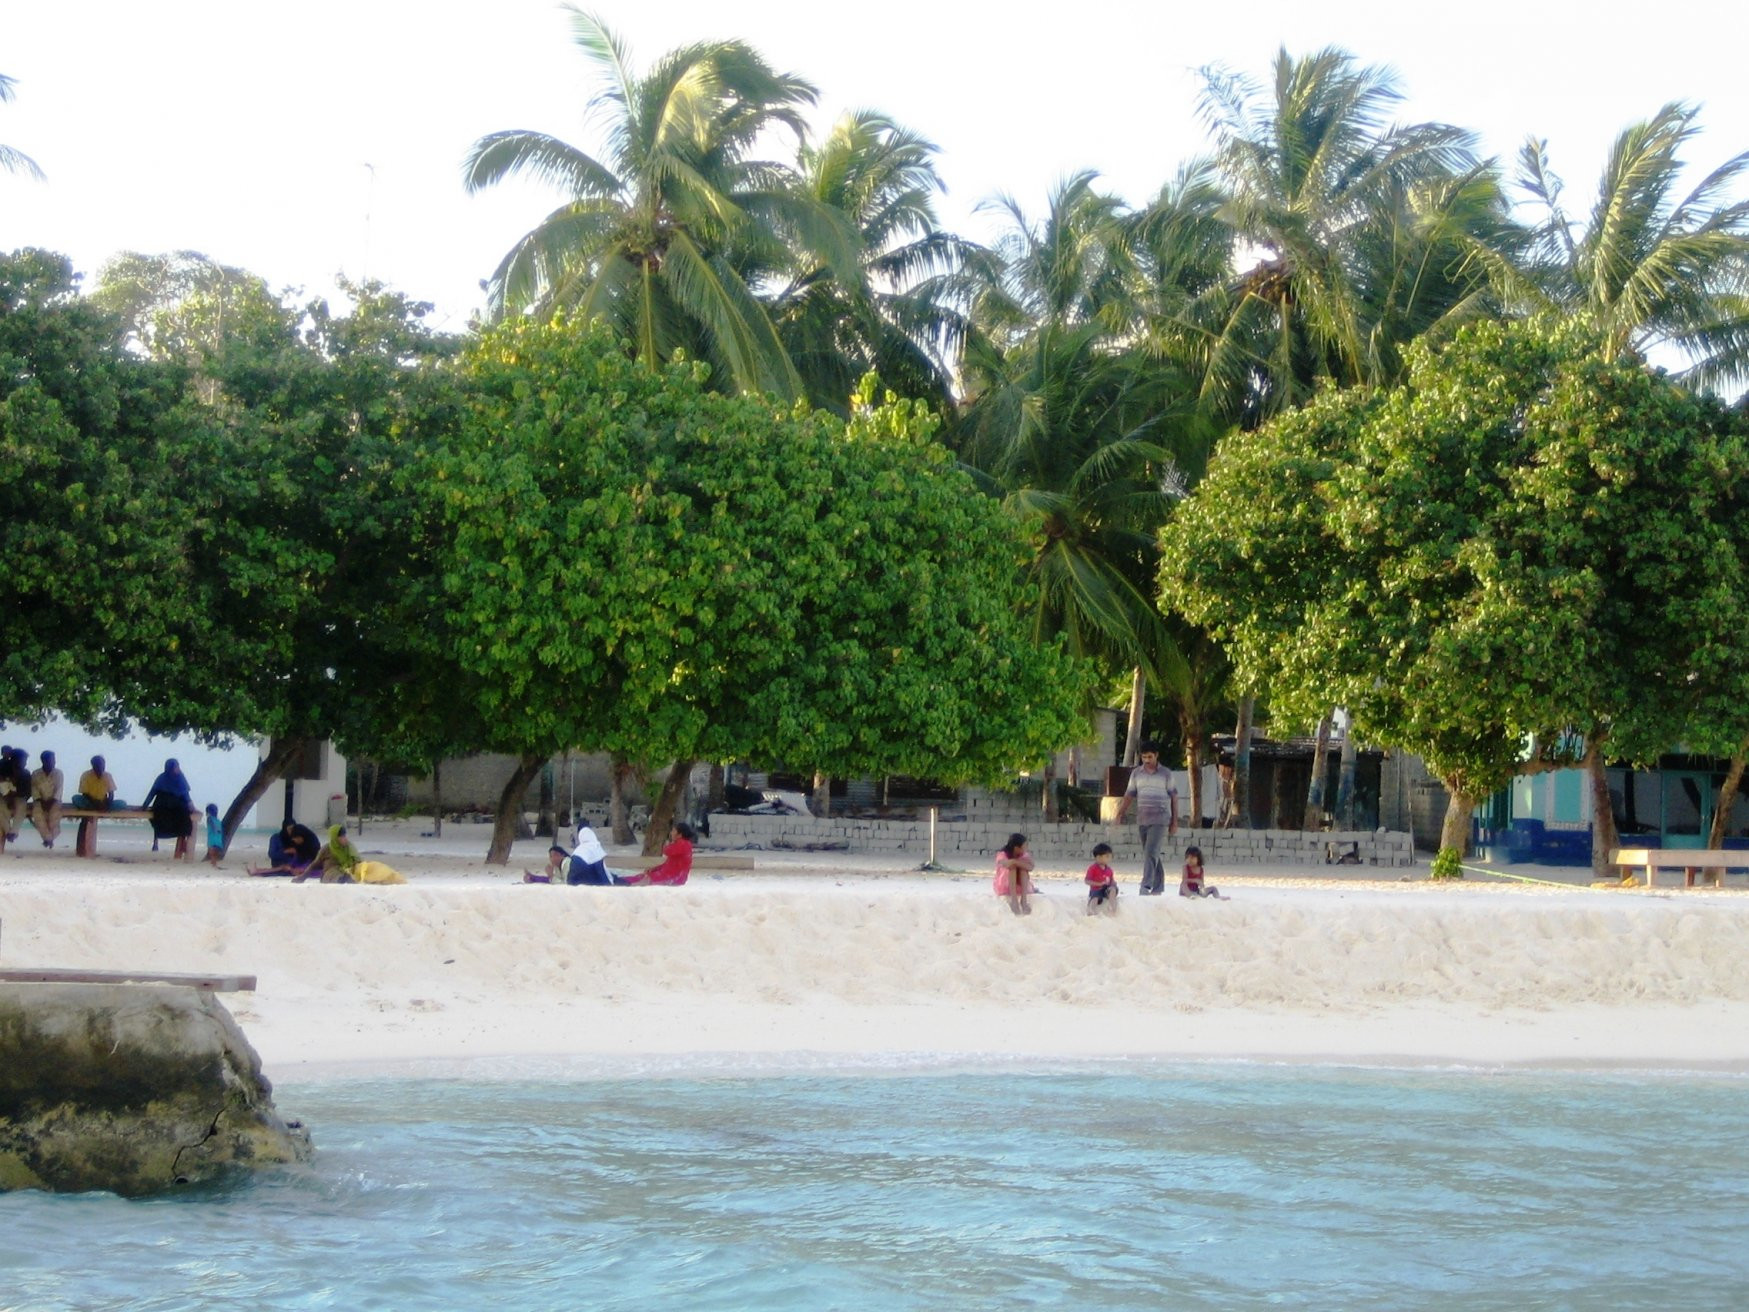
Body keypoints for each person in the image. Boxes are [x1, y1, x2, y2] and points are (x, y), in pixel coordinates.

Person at [1115, 741, 1179, 895]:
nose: (1147, 760)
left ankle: (1146, 885)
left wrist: (1174, 821)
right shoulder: (1137, 773)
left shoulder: (1166, 774)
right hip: (1143, 819)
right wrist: (1120, 813)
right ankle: (1158, 887)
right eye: (1144, 757)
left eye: (1150, 757)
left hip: (1160, 819)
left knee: (1151, 851)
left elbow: (1174, 797)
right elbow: (1130, 794)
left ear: (1156, 755)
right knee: (1151, 853)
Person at [300, 823, 407, 885]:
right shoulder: (327, 848)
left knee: (372, 867)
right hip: (331, 873)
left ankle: (387, 877)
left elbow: (357, 862)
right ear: (335, 838)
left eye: (344, 836)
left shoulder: (349, 847)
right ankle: (346, 879)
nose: (344, 839)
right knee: (334, 873)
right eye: (341, 837)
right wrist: (303, 877)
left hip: (349, 869)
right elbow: (315, 864)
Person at [144, 759, 197, 859]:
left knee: (184, 817)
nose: (178, 769)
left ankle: (181, 845)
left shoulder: (179, 778)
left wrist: (192, 808)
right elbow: (152, 793)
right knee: (163, 817)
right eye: (176, 767)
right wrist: (144, 806)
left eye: (178, 767)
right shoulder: (162, 778)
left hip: (176, 806)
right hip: (163, 806)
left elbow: (186, 795)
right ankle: (164, 842)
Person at [616, 821, 695, 886]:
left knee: (637, 879)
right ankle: (617, 880)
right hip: (672, 876)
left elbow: (667, 851)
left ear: (680, 834)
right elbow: (669, 864)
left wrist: (670, 842)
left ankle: (617, 880)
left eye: (673, 831)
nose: (671, 833)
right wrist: (654, 869)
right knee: (638, 878)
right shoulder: (684, 844)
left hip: (672, 878)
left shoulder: (683, 844)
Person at [251, 817, 322, 877]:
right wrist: (285, 852)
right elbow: (272, 854)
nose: (294, 840)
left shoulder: (312, 844)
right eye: (289, 829)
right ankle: (258, 871)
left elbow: (313, 859)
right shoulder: (276, 838)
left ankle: (258, 872)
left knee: (286, 870)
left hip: (308, 867)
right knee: (284, 868)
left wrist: (299, 868)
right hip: (284, 862)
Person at [993, 831, 1036, 915]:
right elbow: (1006, 864)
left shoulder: (1024, 855)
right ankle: (1014, 901)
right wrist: (1014, 862)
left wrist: (1015, 862)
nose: (1026, 848)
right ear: (1016, 848)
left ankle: (1023, 901)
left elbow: (1031, 867)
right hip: (1006, 885)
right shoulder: (1002, 854)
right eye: (1024, 846)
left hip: (1019, 886)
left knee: (1023, 869)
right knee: (1012, 868)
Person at [29, 750, 65, 848]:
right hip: (39, 801)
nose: (53, 762)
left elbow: (59, 789)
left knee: (54, 817)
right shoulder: (36, 774)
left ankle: (48, 839)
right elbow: (34, 788)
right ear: (43, 761)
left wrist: (52, 801)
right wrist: (40, 801)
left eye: (54, 760)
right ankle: (49, 839)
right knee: (38, 816)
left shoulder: (58, 773)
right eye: (51, 760)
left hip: (55, 801)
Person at [1085, 841, 1119, 916]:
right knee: (1095, 898)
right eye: (1107, 856)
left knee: (1113, 889)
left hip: (1106, 889)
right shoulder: (1092, 868)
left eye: (1110, 856)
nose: (1109, 858)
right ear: (1098, 857)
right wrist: (1098, 884)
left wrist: (1113, 883)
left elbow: (1111, 880)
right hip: (1096, 889)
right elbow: (1087, 881)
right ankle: (1091, 910)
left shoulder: (1109, 870)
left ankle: (1112, 906)